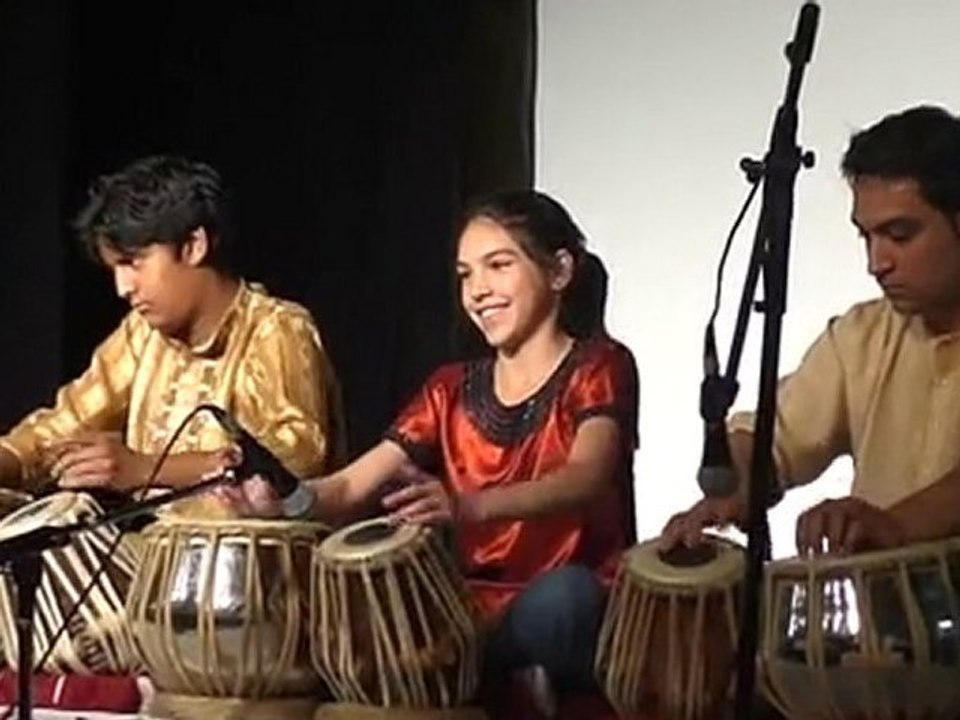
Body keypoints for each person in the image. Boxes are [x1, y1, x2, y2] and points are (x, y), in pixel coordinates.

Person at [219, 189, 639, 714]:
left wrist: (466, 507)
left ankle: (481, 669)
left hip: (564, 597)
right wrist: (280, 503)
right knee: (343, 604)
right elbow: (348, 487)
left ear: (559, 271)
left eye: (498, 265)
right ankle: (496, 671)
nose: (478, 290)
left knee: (566, 602)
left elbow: (586, 476)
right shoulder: (449, 388)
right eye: (465, 275)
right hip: (465, 607)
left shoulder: (600, 366)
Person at [663, 104, 960, 556]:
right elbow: (775, 436)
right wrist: (735, 481)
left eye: (900, 235)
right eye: (866, 237)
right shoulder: (859, 338)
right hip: (884, 600)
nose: (877, 263)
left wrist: (894, 525)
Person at [0, 154, 345, 516]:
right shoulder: (141, 335)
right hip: (152, 547)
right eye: (115, 269)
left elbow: (296, 457)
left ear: (194, 245)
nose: (122, 287)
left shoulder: (275, 328)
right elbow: (61, 426)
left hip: (253, 550)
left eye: (133, 262)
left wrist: (145, 469)